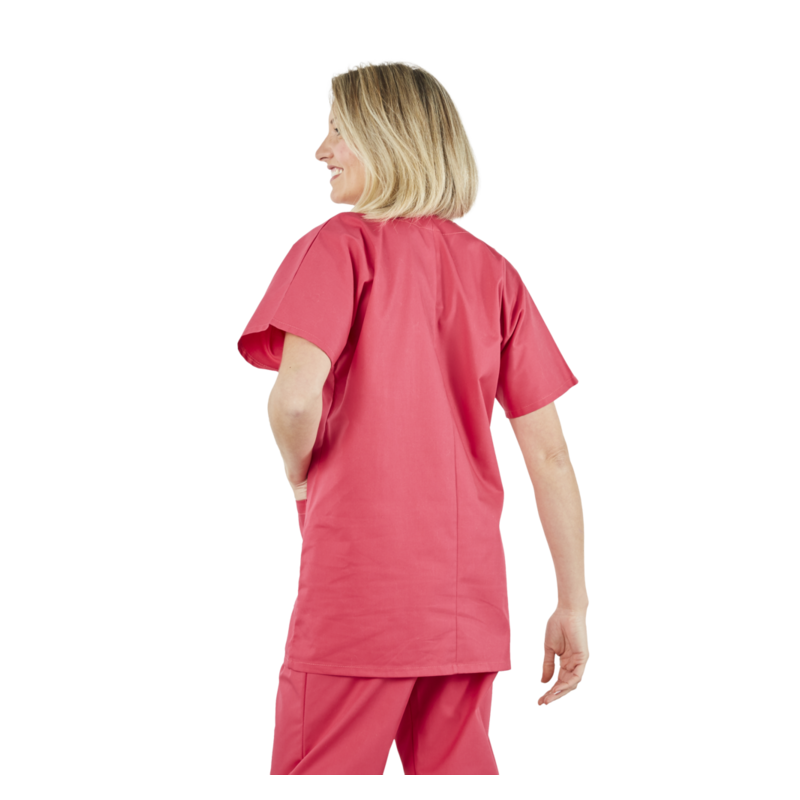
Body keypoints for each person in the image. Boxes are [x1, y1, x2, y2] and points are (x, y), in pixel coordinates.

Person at [235, 57, 590, 775]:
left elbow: (293, 399)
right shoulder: (495, 272)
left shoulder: (337, 247)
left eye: (337, 130)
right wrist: (573, 602)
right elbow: (551, 456)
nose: (320, 150)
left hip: (358, 599)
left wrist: (301, 477)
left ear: (387, 136)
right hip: (466, 603)